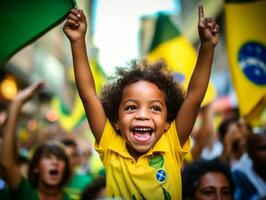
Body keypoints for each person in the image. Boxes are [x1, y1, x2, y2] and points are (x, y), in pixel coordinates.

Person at [63, 5, 219, 199]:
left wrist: (206, 48)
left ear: (167, 122)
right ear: (117, 121)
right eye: (131, 107)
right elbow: (88, 95)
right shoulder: (111, 146)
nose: (142, 115)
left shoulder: (171, 143)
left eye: (155, 108)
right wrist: (78, 41)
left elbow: (194, 97)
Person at [0, 82, 72, 200]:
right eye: (48, 157)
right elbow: (7, 164)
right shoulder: (24, 192)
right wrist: (17, 103)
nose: (55, 162)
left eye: (60, 158)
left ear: (65, 169)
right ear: (36, 167)